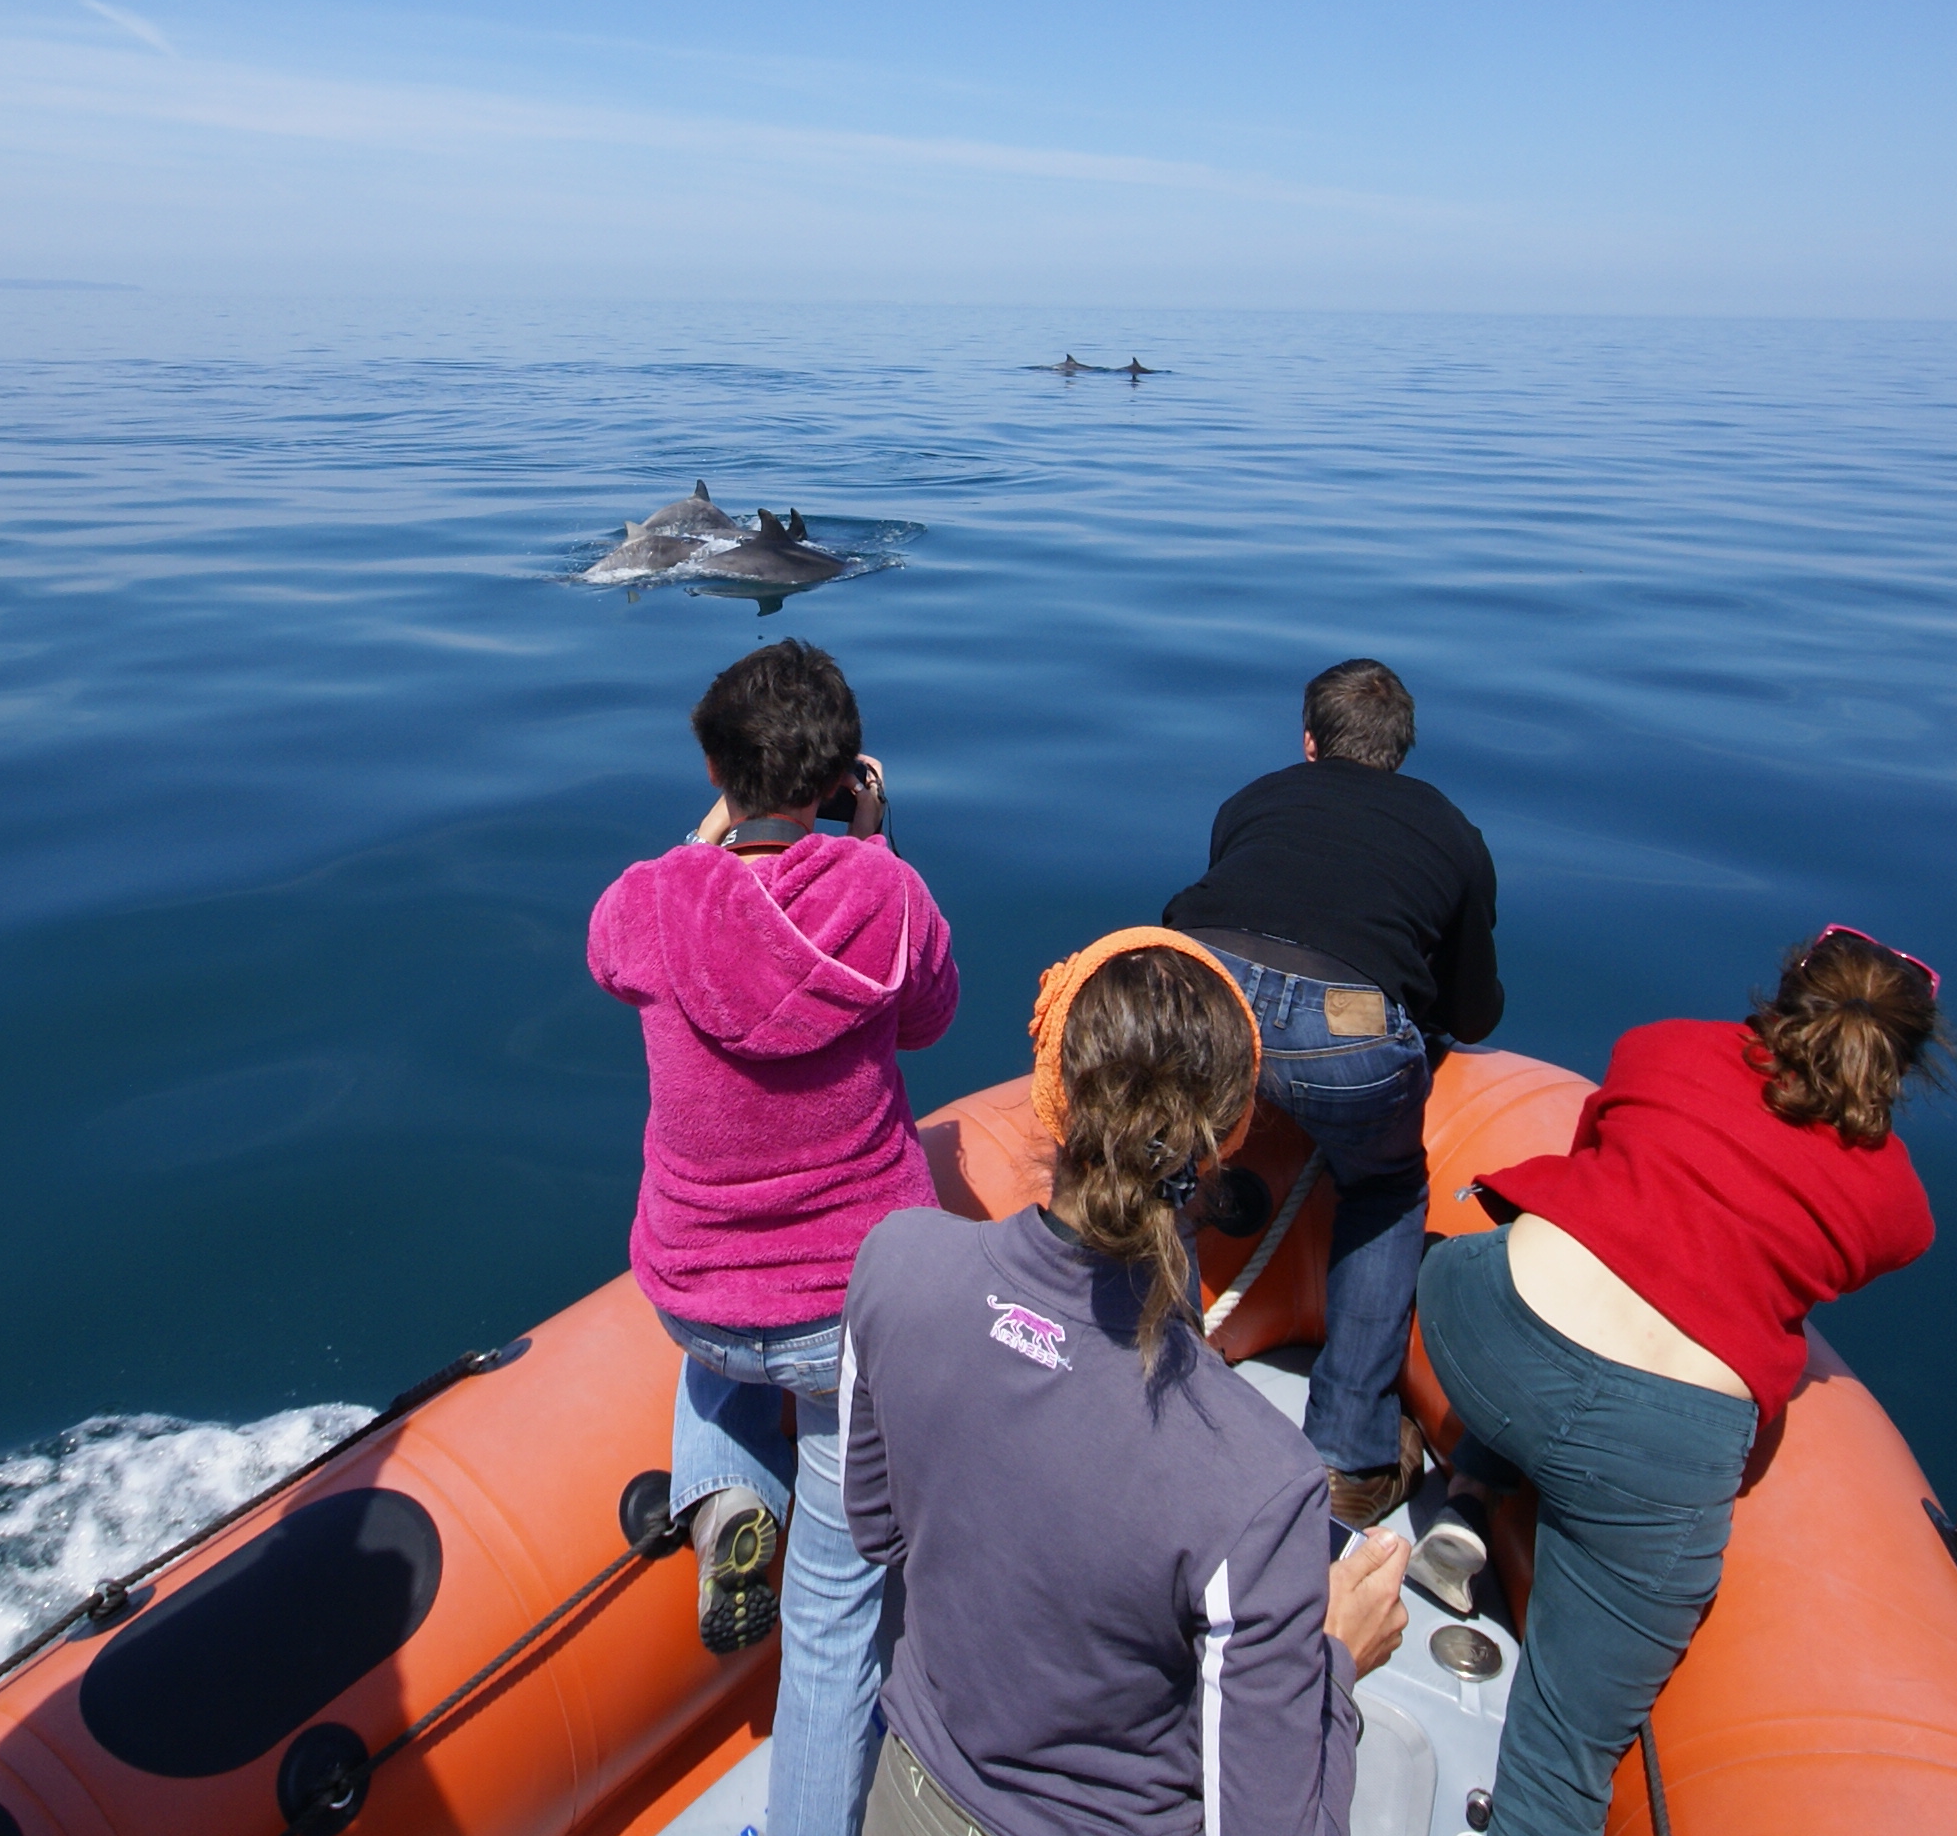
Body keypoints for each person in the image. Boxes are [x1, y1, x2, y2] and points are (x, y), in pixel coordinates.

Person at [839, 931, 1413, 1836]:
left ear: (1049, 1094)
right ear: (1225, 1141)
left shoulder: (892, 1265)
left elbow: (876, 1527)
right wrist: (1333, 1664)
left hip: (906, 1800)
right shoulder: (1262, 1482)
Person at [1416, 928, 1947, 1836]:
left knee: (1540, 1329)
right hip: (1659, 1451)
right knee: (1561, 1759)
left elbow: (1587, 1173)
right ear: (1901, 1064)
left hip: (1485, 1334)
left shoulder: (1665, 1046)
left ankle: (1468, 1497)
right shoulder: (1897, 1204)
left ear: (1785, 993)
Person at [588, 637, 959, 1836]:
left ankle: (719, 1497)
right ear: (847, 773)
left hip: (696, 1294)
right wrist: (875, 840)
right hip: (846, 1318)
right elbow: (929, 1022)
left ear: (711, 765)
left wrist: (714, 825)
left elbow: (605, 953)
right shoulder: (886, 895)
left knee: (718, 1348)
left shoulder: (648, 902)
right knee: (837, 1608)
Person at [1163, 657, 1499, 1523]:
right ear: (1402, 750)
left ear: (1309, 742)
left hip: (1205, 989)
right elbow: (1473, 1008)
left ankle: (1157, 1402)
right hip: (1347, 1032)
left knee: (1166, 1160)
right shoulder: (1454, 835)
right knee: (1385, 1189)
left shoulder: (1255, 798)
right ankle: (1350, 1455)